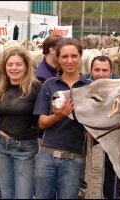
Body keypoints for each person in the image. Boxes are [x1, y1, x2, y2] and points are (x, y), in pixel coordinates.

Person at [33, 38, 92, 199]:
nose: (70, 61)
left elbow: (93, 128)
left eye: (74, 56)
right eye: (65, 57)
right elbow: (42, 123)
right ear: (58, 59)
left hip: (75, 159)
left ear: (80, 57)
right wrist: (58, 115)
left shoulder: (89, 87)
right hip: (46, 157)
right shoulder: (49, 85)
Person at [0, 47, 42, 199]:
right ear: (4, 67)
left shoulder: (36, 87)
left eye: (18, 64)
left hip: (25, 148)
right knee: (7, 193)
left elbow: (42, 117)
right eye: (10, 64)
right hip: (1, 145)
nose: (14, 68)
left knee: (23, 195)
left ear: (26, 66)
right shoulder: (1, 86)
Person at [85, 55, 120, 199]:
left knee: (113, 164)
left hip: (114, 130)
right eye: (97, 70)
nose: (100, 74)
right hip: (89, 128)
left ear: (111, 71)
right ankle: (80, 186)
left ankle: (112, 195)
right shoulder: (84, 84)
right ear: (91, 70)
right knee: (78, 149)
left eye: (104, 70)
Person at [34, 34, 63, 144]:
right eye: (61, 49)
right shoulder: (42, 77)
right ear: (52, 50)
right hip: (48, 134)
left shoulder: (56, 71)